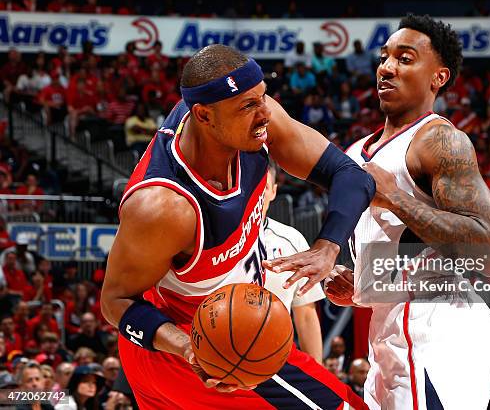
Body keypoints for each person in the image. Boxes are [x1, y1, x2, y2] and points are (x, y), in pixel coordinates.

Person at [101, 44, 373, 409]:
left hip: (227, 332)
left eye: (263, 97)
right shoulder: (164, 208)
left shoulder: (251, 124)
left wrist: (328, 246)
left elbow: (352, 176)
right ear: (204, 115)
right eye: (248, 105)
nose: (265, 113)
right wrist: (189, 349)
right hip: (193, 345)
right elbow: (114, 302)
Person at [321, 14, 490, 409]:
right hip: (388, 332)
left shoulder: (440, 140)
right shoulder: (356, 153)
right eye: (385, 57)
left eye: (405, 58)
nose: (387, 66)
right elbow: (400, 254)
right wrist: (363, 288)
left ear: (438, 77)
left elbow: (489, 252)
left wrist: (396, 198)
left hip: (440, 329)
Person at [262, 163, 325, 363]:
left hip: (276, 357)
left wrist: (318, 373)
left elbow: (306, 314)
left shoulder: (291, 239)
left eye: (263, 188)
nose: (256, 195)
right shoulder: (216, 237)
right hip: (223, 355)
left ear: (273, 192)